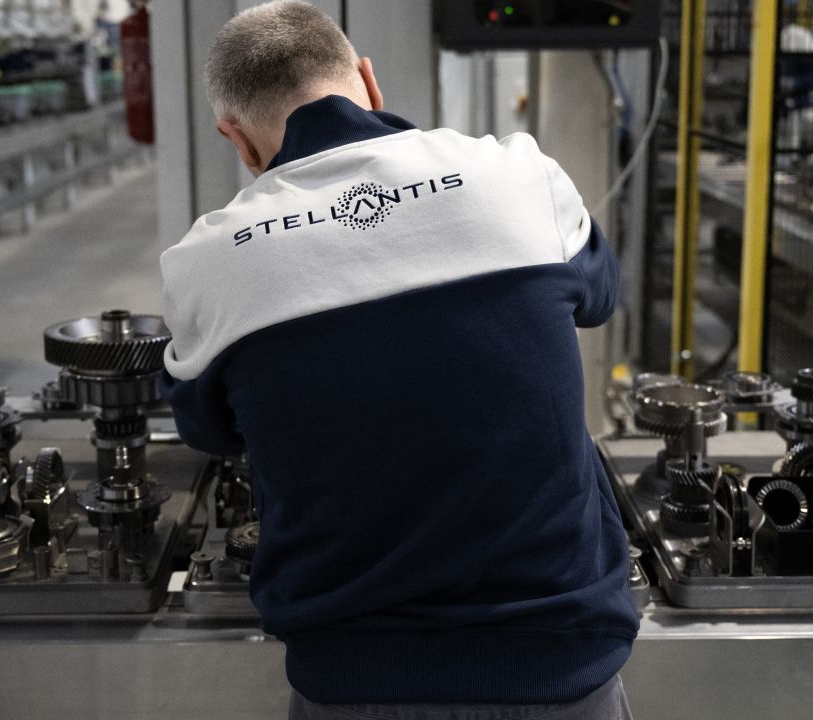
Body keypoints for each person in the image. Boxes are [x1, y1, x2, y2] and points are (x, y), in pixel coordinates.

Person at [160, 2, 638, 718]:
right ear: (370, 82)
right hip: (559, 661)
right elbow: (600, 296)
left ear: (238, 139)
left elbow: (210, 429)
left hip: (352, 676)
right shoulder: (518, 172)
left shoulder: (206, 260)